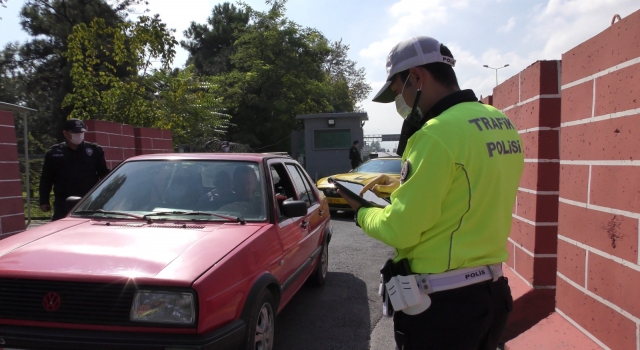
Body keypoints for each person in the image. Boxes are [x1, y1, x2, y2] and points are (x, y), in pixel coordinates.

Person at [337, 36, 524, 349]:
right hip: (492, 296)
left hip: (443, 309)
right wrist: (403, 186)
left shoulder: (436, 133)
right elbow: (467, 189)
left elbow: (401, 229)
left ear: (417, 77)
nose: (403, 102)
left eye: (400, 90)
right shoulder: (499, 121)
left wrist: (362, 211)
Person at [39, 119, 110, 220]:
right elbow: (46, 179)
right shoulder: (54, 153)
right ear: (65, 133)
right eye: (75, 132)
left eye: (81, 132)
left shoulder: (94, 150)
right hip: (63, 203)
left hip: (89, 201)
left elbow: (104, 174)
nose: (79, 135)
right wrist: (44, 201)